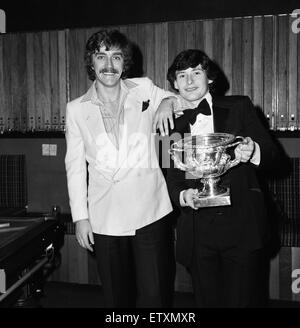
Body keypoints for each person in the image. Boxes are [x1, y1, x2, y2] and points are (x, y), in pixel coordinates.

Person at [64, 29, 178, 308]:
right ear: (91, 62)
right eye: (101, 56)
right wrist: (80, 217)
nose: (109, 65)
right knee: (117, 298)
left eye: (116, 57)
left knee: (156, 296)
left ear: (124, 62)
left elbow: (185, 98)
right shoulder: (76, 109)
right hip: (105, 215)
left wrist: (167, 101)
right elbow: (75, 166)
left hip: (149, 211)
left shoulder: (145, 88)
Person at [159, 49, 281, 307]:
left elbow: (274, 157)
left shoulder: (240, 106)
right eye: (182, 75)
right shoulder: (168, 125)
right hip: (197, 231)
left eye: (196, 73)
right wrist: (183, 196)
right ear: (174, 84)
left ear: (210, 78)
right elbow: (171, 178)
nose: (189, 81)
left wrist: (253, 151)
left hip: (241, 227)